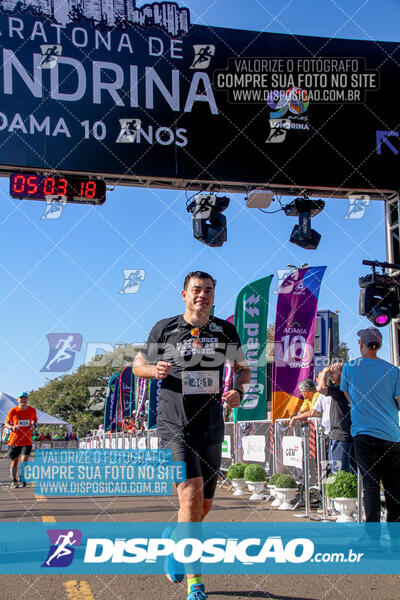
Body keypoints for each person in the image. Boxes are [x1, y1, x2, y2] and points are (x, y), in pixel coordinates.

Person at [133, 271, 250, 600]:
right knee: (191, 495)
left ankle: (175, 539)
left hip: (211, 427)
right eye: (196, 290)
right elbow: (137, 365)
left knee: (203, 507)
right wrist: (152, 370)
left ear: (214, 295)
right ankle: (195, 584)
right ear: (183, 294)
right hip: (173, 426)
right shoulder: (165, 328)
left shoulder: (224, 331)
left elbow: (243, 370)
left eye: (209, 290)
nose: (203, 295)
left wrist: (238, 392)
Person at [340, 327, 400, 549]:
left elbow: (347, 395)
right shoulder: (393, 370)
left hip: (365, 434)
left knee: (371, 485)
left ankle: (372, 538)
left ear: (361, 344)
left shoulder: (350, 367)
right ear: (380, 345)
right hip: (392, 434)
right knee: (394, 486)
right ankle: (396, 538)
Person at [318, 363, 353, 473]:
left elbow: (321, 388)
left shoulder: (340, 390)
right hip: (347, 435)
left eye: (333, 372)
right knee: (351, 471)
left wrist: (324, 372)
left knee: (338, 472)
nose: (330, 374)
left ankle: (341, 490)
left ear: (342, 373)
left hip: (341, 436)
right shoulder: (349, 388)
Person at [4, 392, 37, 488]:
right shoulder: (13, 411)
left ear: (27, 399)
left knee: (25, 460)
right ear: (17, 400)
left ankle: (22, 477)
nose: (23, 400)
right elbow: (6, 423)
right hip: (15, 440)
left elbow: (35, 421)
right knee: (14, 461)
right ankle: (14, 480)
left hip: (27, 440)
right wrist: (11, 427)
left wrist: (33, 426)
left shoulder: (32, 410)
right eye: (21, 398)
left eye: (25, 398)